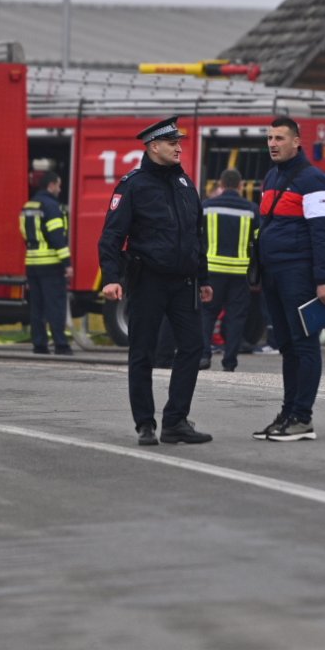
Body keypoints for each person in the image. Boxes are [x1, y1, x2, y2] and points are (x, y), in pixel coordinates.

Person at [98, 117, 214, 446]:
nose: (179, 147)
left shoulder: (184, 184)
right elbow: (111, 236)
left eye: (179, 141)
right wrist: (111, 278)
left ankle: (176, 421)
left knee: (193, 347)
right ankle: (145, 424)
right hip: (147, 280)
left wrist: (202, 277)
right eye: (171, 142)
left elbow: (196, 233)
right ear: (153, 147)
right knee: (143, 353)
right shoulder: (133, 185)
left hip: (184, 283)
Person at [252, 115, 325, 442]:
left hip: (299, 275)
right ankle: (288, 414)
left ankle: (303, 418)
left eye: (279, 138)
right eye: (270, 138)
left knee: (304, 346)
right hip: (274, 275)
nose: (273, 144)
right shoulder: (272, 177)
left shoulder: (313, 180)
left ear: (297, 142)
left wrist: (323, 278)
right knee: (286, 345)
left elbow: (323, 231)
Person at [200, 168, 259, 372]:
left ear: (221, 185)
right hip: (238, 273)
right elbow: (259, 241)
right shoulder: (251, 209)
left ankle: (204, 356)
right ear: (241, 186)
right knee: (236, 317)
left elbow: (197, 238)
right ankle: (230, 362)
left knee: (207, 314)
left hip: (212, 272)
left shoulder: (207, 207)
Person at [19, 170, 73, 355]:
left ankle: (39, 344)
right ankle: (61, 344)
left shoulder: (28, 205)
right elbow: (57, 236)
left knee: (37, 306)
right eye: (58, 185)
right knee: (55, 306)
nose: (60, 189)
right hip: (51, 263)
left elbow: (24, 233)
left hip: (32, 263)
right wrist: (67, 263)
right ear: (51, 185)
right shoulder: (51, 206)